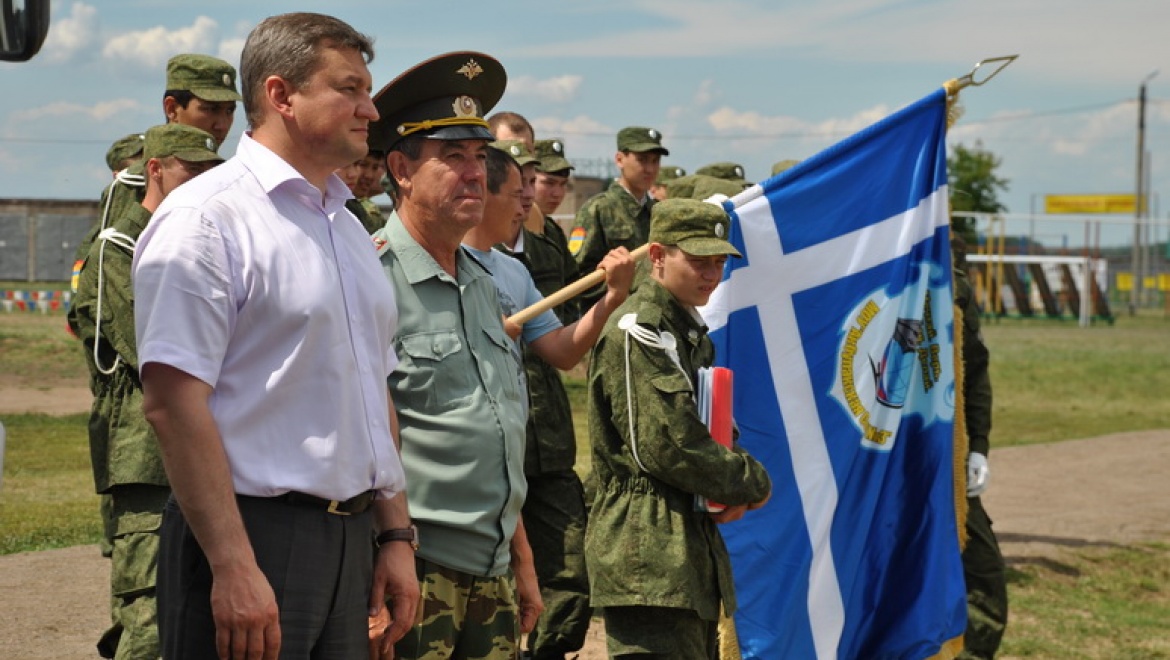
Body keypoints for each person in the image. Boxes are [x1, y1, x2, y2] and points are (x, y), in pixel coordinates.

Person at [132, 13, 418, 659]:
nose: (370, 110)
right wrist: (232, 564)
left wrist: (394, 536)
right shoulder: (208, 220)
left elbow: (372, 396)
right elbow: (174, 404)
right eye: (349, 89)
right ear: (281, 95)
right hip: (251, 535)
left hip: (348, 536)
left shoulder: (344, 224)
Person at [369, 50, 539, 659]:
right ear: (401, 169)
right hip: (416, 569)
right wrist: (388, 555)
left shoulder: (482, 281)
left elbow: (495, 432)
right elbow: (367, 441)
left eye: (480, 158)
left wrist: (520, 557)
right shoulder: (371, 279)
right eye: (452, 158)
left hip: (491, 568)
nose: (475, 175)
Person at [586, 198, 772, 659]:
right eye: (697, 261)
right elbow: (667, 447)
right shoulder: (641, 330)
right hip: (646, 554)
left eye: (718, 263)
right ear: (657, 257)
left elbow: (711, 432)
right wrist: (749, 481)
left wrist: (729, 487)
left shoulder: (685, 332)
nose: (711, 274)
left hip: (679, 551)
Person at [68, 123, 223, 660]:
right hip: (149, 457)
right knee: (150, 617)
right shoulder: (121, 245)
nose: (203, 180)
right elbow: (153, 349)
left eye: (210, 170)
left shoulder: (205, 235)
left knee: (200, 613)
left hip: (209, 448)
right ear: (155, 170)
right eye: (191, 169)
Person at [479, 142, 633, 659]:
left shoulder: (516, 271)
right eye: (517, 188)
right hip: (478, 465)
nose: (528, 198)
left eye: (532, 185)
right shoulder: (432, 266)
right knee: (490, 584)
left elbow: (563, 350)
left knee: (571, 571)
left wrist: (610, 299)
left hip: (542, 443)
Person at [71, 53, 241, 294]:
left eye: (229, 111)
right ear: (172, 108)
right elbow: (107, 272)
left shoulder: (231, 179)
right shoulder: (136, 182)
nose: (222, 124)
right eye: (210, 109)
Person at [953, 236, 1009, 660]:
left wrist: (978, 447)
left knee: (984, 578)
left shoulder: (952, 282)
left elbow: (974, 369)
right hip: (878, 460)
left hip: (946, 457)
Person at [568, 125, 668, 307]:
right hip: (613, 317)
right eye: (643, 160)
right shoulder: (598, 209)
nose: (650, 169)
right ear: (620, 159)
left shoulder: (660, 212)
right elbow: (578, 275)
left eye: (655, 161)